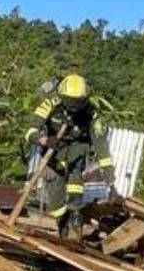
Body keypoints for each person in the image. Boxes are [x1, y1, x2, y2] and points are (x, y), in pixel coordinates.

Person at [24, 73, 116, 240]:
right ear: (62, 96)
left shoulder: (91, 115)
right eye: (70, 101)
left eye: (77, 101)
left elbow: (102, 147)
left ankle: (75, 220)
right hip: (53, 154)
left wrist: (110, 180)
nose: (74, 106)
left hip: (76, 153)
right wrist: (45, 140)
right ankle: (62, 226)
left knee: (75, 187)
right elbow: (30, 132)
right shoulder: (50, 104)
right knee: (56, 202)